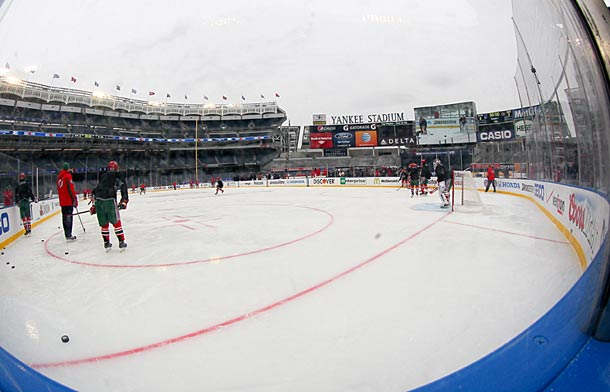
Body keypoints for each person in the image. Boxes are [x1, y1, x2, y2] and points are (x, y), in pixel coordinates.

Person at [91, 161, 129, 250]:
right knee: (116, 222)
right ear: (116, 168)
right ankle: (121, 242)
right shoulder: (117, 175)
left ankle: (106, 243)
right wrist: (124, 200)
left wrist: (94, 206)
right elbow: (123, 188)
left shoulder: (103, 176)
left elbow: (95, 192)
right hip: (110, 201)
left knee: (104, 224)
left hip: (99, 201)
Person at [57, 163, 78, 240]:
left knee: (64, 217)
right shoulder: (67, 176)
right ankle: (69, 234)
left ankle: (67, 233)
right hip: (68, 201)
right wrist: (74, 199)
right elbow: (71, 189)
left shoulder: (59, 177)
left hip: (62, 201)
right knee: (69, 217)